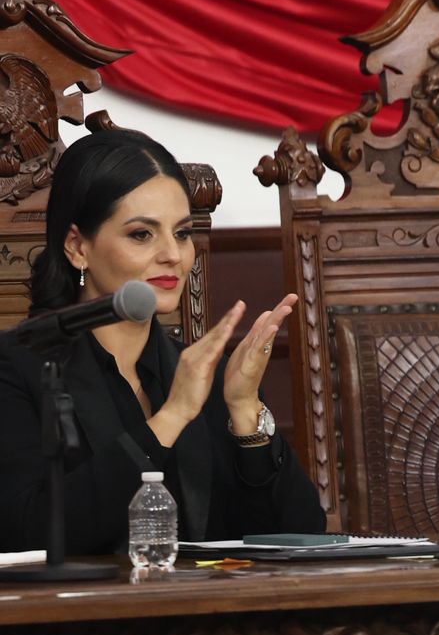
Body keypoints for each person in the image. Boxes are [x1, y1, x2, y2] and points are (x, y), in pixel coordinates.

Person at [0, 129, 325, 553]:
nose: (173, 254)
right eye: (142, 234)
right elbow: (26, 533)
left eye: (183, 233)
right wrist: (171, 417)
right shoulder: (18, 368)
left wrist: (247, 412)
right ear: (78, 247)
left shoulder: (203, 374)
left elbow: (302, 536)